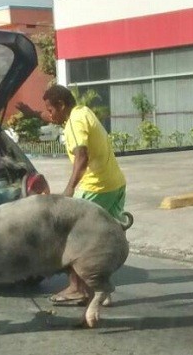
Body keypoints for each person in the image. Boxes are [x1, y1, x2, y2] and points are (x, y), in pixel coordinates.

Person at [42, 84, 129, 303]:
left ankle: (76, 288)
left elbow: (82, 155)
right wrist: (34, 114)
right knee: (104, 237)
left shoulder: (74, 122)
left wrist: (69, 189)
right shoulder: (84, 112)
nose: (50, 115)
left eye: (51, 110)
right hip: (115, 184)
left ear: (62, 105)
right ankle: (103, 290)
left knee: (72, 236)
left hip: (94, 187)